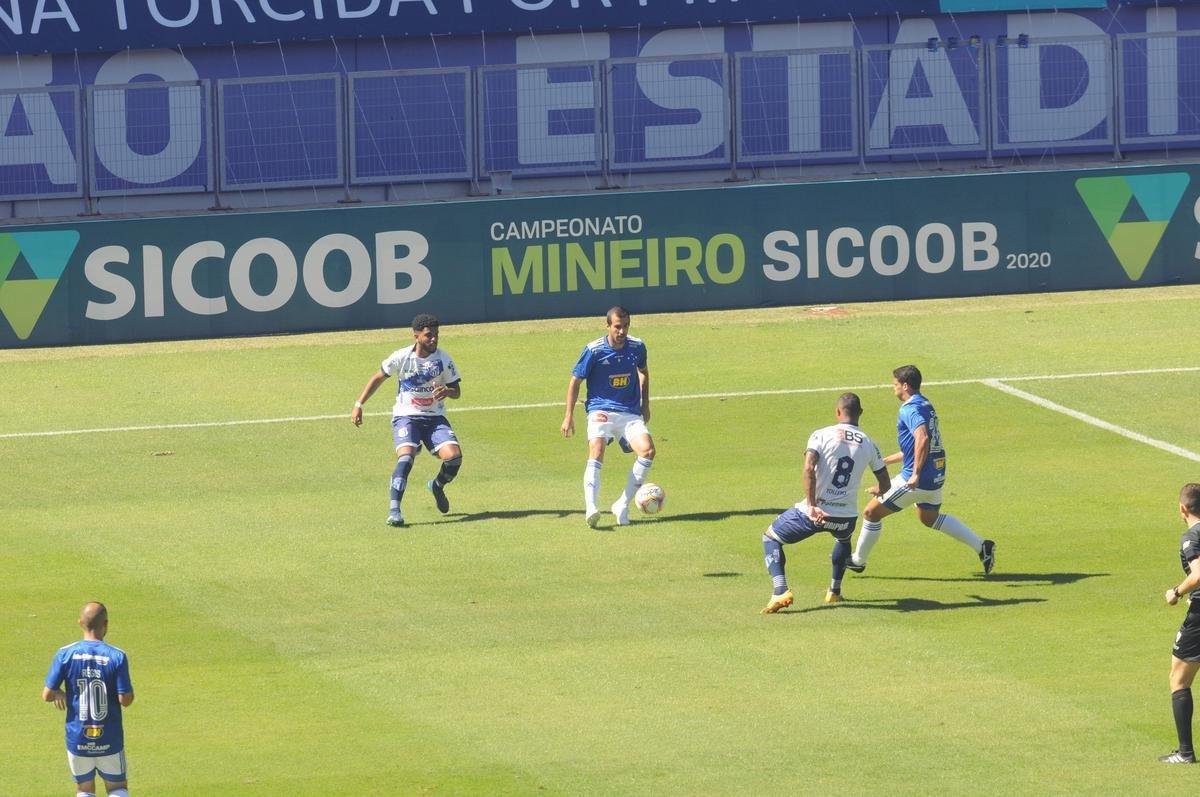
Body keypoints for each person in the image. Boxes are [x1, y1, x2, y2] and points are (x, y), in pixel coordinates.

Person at [846, 364, 995, 575]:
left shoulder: (909, 408)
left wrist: (915, 473)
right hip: (936, 474)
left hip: (917, 478)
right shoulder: (926, 404)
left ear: (905, 385)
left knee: (871, 512)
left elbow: (922, 438)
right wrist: (885, 461)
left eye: (895, 384)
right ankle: (982, 546)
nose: (893, 388)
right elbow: (916, 445)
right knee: (928, 517)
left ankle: (858, 561)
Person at [761, 393, 891, 613]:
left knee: (770, 537)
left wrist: (812, 506)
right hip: (846, 517)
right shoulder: (869, 443)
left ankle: (780, 590)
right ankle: (834, 592)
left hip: (814, 514)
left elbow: (808, 468)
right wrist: (877, 490)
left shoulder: (821, 435)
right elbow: (885, 484)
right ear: (860, 413)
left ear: (838, 412)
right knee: (843, 539)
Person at [352, 312, 463, 527]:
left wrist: (447, 392)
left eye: (436, 335)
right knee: (406, 458)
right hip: (406, 416)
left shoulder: (443, 359)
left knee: (454, 458)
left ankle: (437, 486)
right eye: (429, 335)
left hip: (434, 418)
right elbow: (378, 377)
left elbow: (457, 390)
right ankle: (395, 510)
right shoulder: (401, 357)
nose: (434, 339)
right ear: (416, 336)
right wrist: (359, 404)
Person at [561, 306, 655, 528]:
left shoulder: (637, 347)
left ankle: (622, 504)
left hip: (629, 411)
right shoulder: (594, 351)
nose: (622, 332)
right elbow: (575, 381)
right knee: (597, 449)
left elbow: (644, 372)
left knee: (648, 451)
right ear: (608, 326)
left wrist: (646, 404)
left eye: (625, 326)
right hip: (600, 409)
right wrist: (568, 416)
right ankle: (591, 508)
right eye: (617, 327)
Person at [43, 602, 134, 797]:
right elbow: (125, 699)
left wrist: (60, 693)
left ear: (80, 623)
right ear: (106, 624)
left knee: (84, 790)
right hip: (109, 736)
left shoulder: (65, 654)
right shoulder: (117, 656)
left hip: (78, 737)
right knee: (117, 787)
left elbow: (47, 694)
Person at [1161, 483, 1200, 763]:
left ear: (1182, 508)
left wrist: (1176, 592)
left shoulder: (1192, 537)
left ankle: (1185, 753)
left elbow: (1198, 575)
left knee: (1179, 679)